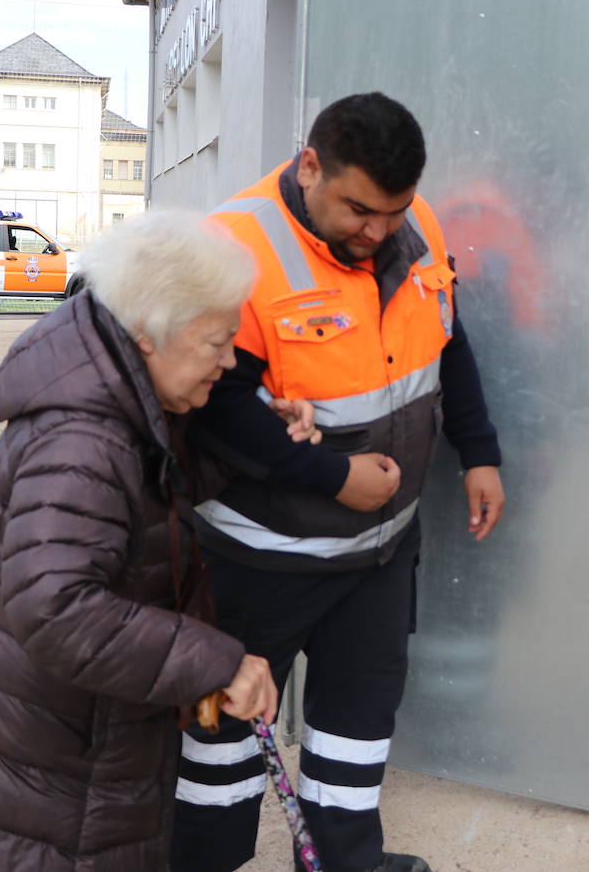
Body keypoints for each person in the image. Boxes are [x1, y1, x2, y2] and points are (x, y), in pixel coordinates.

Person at [0, 210, 327, 871]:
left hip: (46, 745)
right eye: (216, 343)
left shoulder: (110, 388)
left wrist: (257, 436)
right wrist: (217, 662)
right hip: (35, 776)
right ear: (151, 335)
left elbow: (147, 490)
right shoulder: (82, 436)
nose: (230, 360)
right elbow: (56, 608)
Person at [174, 93, 506, 872]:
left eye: (391, 212)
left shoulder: (414, 222)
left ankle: (346, 862)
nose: (378, 231)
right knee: (219, 740)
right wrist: (332, 476)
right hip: (255, 561)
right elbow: (213, 407)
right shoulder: (232, 246)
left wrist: (479, 449)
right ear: (310, 164)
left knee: (356, 732)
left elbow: (446, 344)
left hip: (381, 556)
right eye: (360, 209)